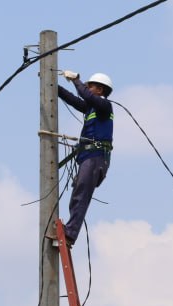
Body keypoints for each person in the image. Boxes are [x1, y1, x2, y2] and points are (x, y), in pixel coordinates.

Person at [55, 70, 114, 249]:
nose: (87, 89)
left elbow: (84, 95)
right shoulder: (91, 108)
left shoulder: (105, 106)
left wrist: (76, 80)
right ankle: (69, 231)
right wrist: (52, 86)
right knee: (77, 195)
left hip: (96, 158)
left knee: (81, 196)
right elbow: (74, 99)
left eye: (91, 86)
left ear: (100, 90)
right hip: (89, 157)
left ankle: (70, 233)